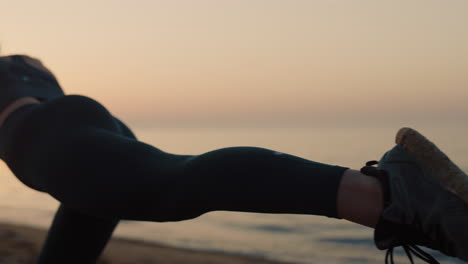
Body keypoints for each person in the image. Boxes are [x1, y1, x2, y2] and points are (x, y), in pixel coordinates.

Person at [0, 54, 466, 264]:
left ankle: (391, 195)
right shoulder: (24, 63)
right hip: (86, 127)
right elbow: (36, 72)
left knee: (174, 186)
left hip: (50, 140)